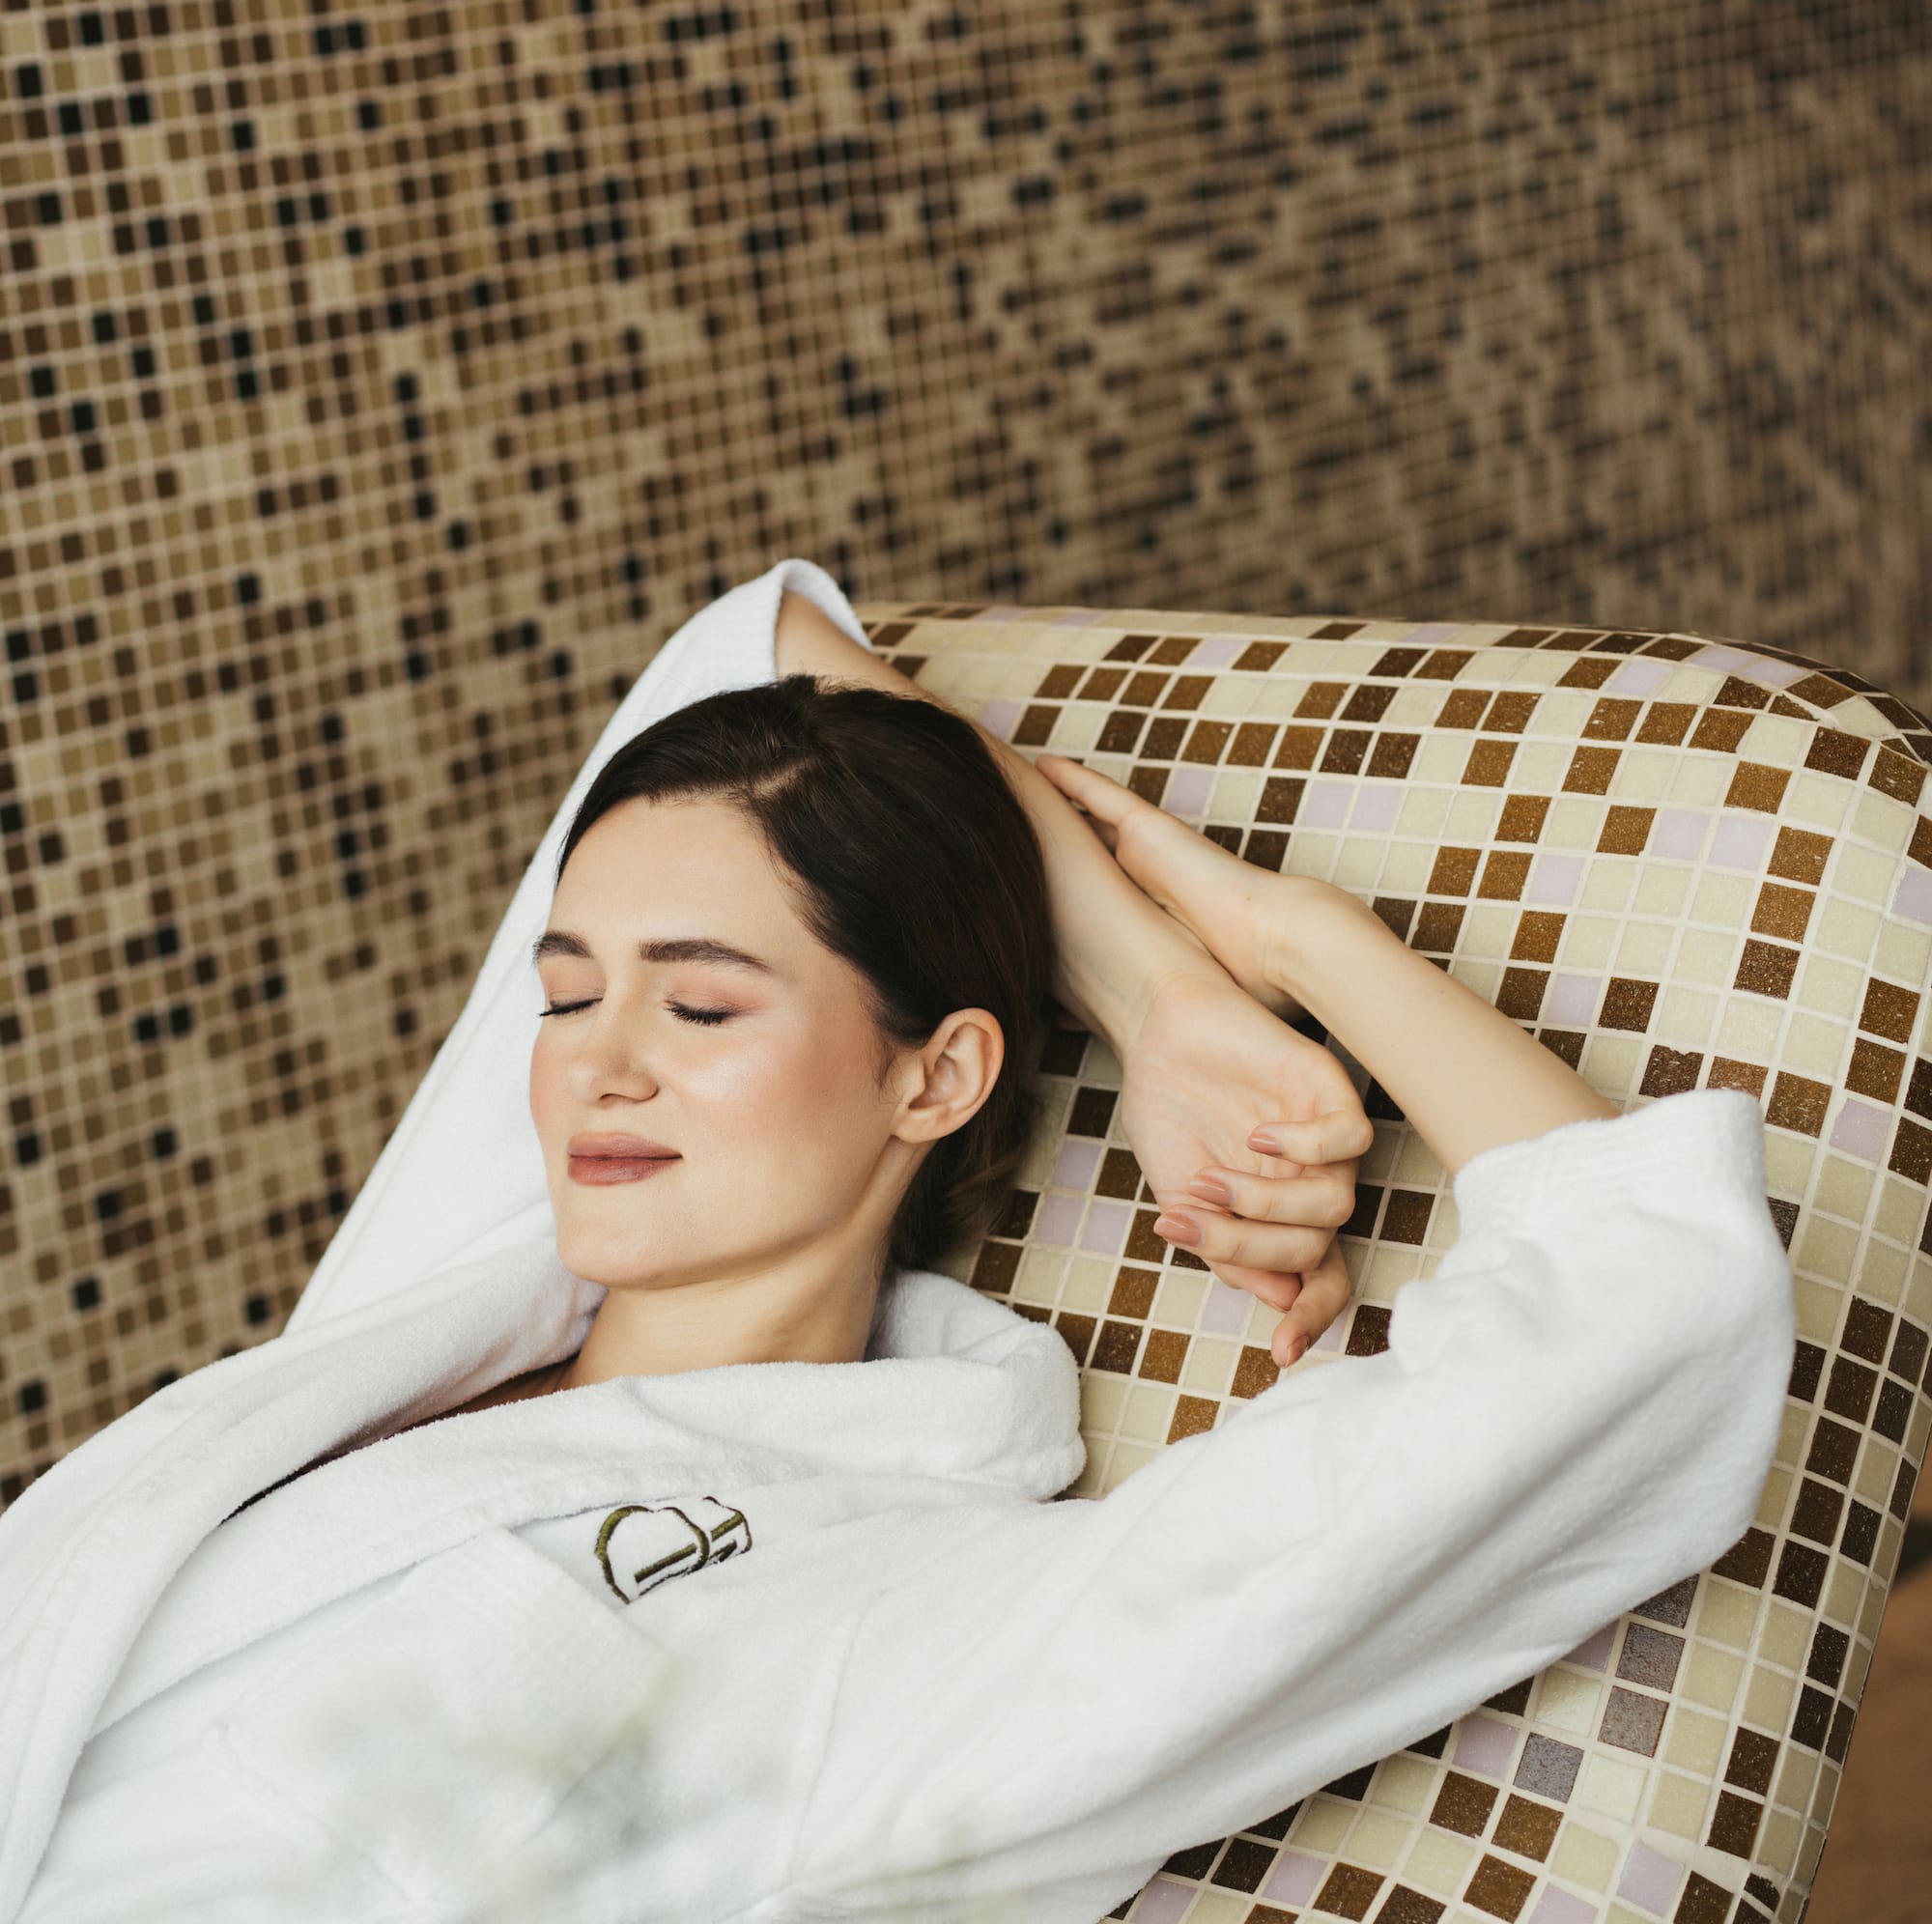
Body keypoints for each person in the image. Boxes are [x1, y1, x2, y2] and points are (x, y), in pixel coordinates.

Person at [0, 561, 1793, 1924]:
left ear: (935, 1075)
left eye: (703, 1005)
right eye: (563, 992)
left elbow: (1639, 1313)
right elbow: (754, 641)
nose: (596, 1062)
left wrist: (1296, 947)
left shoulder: (919, 1618)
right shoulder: (464, 1303)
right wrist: (1153, 993)